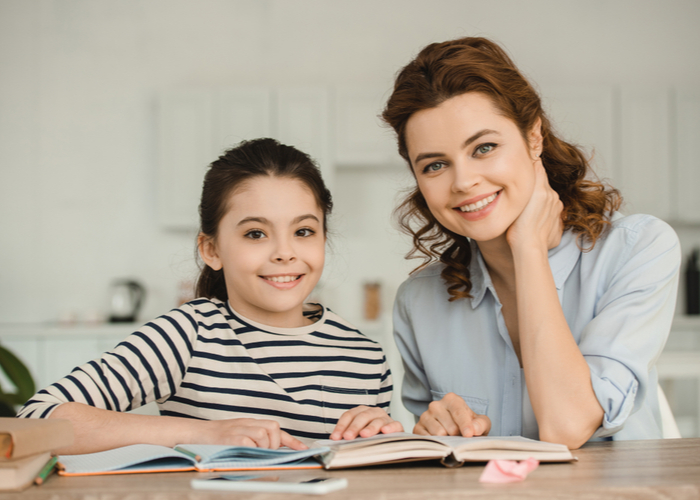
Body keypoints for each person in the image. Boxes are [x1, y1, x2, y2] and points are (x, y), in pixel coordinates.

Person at [381, 37, 680, 449]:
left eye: (484, 148)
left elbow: (567, 426)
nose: (463, 181)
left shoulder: (638, 249)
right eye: (435, 165)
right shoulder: (418, 302)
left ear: (534, 136)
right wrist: (437, 431)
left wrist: (528, 250)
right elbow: (440, 464)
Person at [18, 138, 402, 454]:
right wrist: (202, 433)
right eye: (255, 233)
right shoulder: (189, 335)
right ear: (212, 249)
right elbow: (35, 420)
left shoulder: (364, 355)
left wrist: (382, 438)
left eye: (303, 231)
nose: (285, 252)